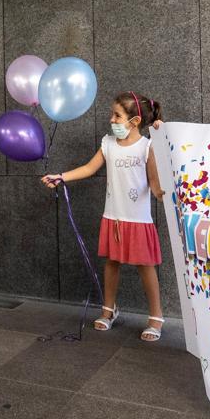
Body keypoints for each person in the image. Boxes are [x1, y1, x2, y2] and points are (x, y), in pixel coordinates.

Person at [42, 92, 167, 341]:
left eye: (117, 115)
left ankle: (156, 316)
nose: (111, 120)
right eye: (112, 114)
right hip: (113, 216)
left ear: (134, 121)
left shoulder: (147, 146)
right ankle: (109, 310)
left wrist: (165, 194)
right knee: (111, 263)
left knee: (146, 266)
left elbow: (155, 184)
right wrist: (61, 176)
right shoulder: (108, 144)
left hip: (138, 219)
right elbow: (89, 168)